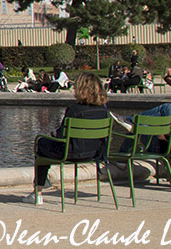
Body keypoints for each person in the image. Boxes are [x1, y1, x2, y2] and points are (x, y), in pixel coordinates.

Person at [29, 75, 111, 205]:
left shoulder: (74, 109)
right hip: (94, 153)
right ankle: (42, 182)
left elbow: (62, 137)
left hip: (72, 152)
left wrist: (52, 134)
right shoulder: (104, 110)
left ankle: (38, 190)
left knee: (41, 143)